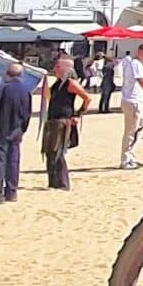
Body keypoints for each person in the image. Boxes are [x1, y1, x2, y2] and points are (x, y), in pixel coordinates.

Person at [0, 63, 32, 203]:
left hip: (0, 130)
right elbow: (27, 113)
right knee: (13, 162)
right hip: (16, 131)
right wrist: (22, 130)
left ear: (7, 74)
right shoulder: (25, 90)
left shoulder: (2, 89)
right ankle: (11, 192)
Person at [40, 52, 90, 189]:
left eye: (58, 66)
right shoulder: (57, 84)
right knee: (49, 151)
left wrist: (78, 114)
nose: (55, 69)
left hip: (63, 120)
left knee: (58, 152)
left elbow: (87, 98)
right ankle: (53, 182)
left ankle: (62, 183)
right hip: (53, 119)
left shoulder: (70, 83)